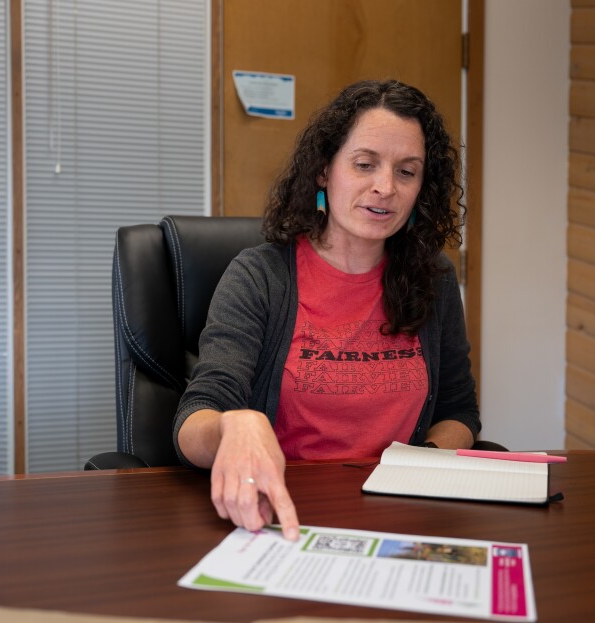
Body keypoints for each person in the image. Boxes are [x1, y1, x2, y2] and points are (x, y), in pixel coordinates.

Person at [172, 79, 480, 542]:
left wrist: (421, 464)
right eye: (364, 164)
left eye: (406, 172)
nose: (385, 187)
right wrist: (233, 426)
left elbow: (459, 411)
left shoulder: (432, 277)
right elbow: (195, 418)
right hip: (282, 517)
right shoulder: (260, 277)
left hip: (401, 518)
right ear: (323, 170)